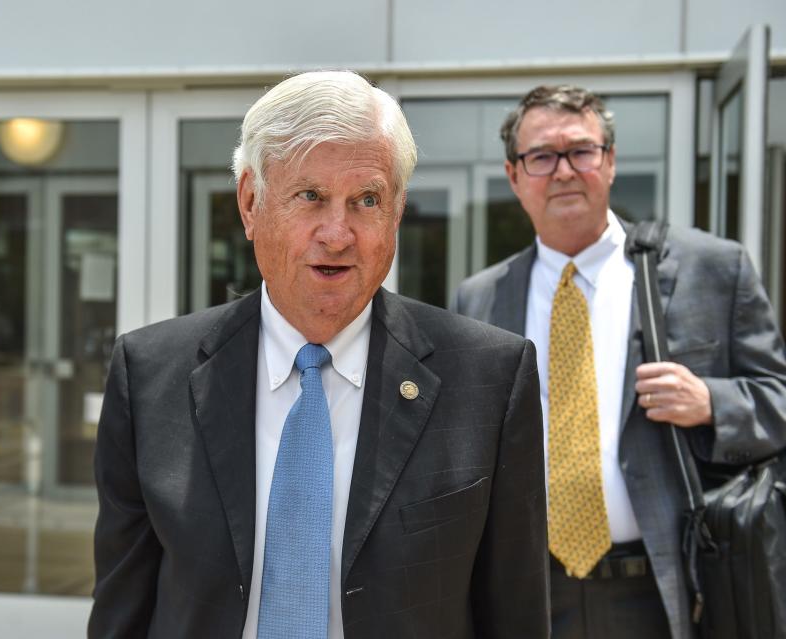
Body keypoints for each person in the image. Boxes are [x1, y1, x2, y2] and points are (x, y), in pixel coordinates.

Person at [88, 70, 549, 638]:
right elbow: (122, 610)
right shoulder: (150, 373)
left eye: (366, 200)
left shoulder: (490, 379)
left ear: (397, 211)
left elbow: (517, 616)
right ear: (252, 203)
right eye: (310, 196)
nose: (338, 233)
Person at [456, 84, 786, 639]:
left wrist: (712, 402)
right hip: (530, 594)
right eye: (541, 156)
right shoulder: (481, 299)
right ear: (514, 176)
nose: (563, 171)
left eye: (581, 151)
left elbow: (777, 400)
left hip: (669, 589)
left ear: (609, 161)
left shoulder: (711, 268)